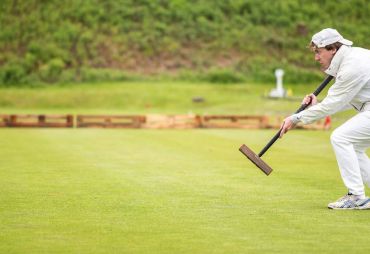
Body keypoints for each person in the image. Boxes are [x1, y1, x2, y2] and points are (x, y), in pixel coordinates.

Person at [280, 28, 370, 210]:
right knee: (354, 146)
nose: (316, 58)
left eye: (318, 52)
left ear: (332, 49)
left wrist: (296, 118)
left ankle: (356, 196)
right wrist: (317, 104)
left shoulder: (352, 66)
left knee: (341, 137)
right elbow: (342, 100)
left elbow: (333, 105)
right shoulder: (351, 59)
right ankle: (358, 196)